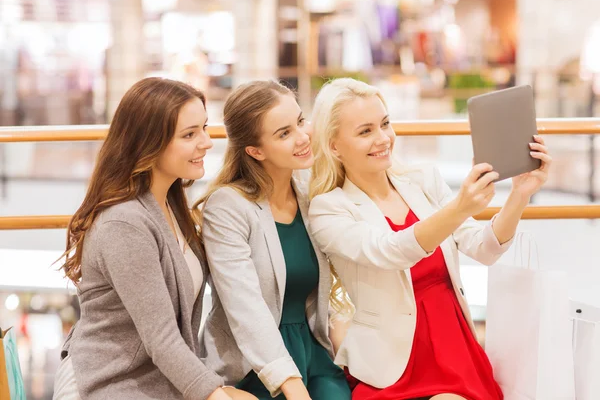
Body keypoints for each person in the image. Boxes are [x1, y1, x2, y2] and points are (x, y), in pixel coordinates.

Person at [307, 78, 552, 400]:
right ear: (334, 145)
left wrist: (520, 194)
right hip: (391, 365)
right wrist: (459, 208)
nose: (383, 139)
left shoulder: (422, 180)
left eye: (385, 124)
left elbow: (485, 248)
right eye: (365, 131)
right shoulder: (328, 209)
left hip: (455, 349)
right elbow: (391, 251)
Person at [52, 77, 254, 400]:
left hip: (156, 379)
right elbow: (162, 340)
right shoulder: (125, 223)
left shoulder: (171, 200)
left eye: (204, 127)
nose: (206, 142)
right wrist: (216, 394)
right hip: (109, 382)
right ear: (149, 144)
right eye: (189, 134)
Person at [195, 80, 351, 400]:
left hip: (313, 352)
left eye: (300, 121)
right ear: (255, 150)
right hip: (252, 364)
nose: (303, 136)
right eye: (284, 133)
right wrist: (294, 390)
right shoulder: (228, 206)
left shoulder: (309, 192)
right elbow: (246, 310)